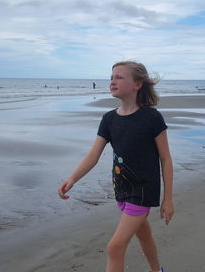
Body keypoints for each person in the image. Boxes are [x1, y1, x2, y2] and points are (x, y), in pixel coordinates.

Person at [58, 61, 174, 272]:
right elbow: (94, 154)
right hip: (121, 188)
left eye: (119, 77)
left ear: (137, 84)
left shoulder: (151, 118)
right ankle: (157, 271)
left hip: (143, 190)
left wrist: (168, 198)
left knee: (114, 247)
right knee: (144, 234)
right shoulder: (109, 119)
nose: (113, 81)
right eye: (111, 77)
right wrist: (72, 178)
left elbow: (166, 159)